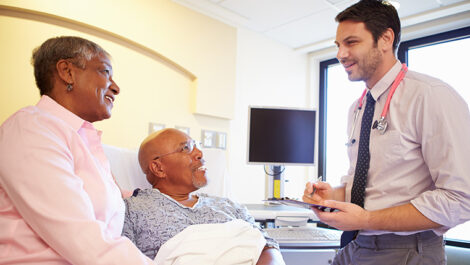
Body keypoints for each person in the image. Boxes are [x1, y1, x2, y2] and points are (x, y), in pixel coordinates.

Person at [302, 1, 470, 264]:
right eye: (338, 45)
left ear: (385, 39)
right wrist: (332, 195)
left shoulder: (430, 96)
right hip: (358, 244)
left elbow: (461, 198)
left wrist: (366, 219)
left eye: (351, 42)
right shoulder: (357, 108)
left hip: (407, 249)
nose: (340, 54)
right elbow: (369, 186)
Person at [0, 36, 155, 264]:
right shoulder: (31, 127)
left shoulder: (83, 139)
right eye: (104, 72)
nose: (116, 87)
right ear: (67, 72)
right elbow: (81, 236)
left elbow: (107, 197)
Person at [123, 128, 285, 265]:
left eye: (197, 146)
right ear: (158, 168)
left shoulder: (229, 206)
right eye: (186, 148)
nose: (199, 153)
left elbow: (267, 246)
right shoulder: (132, 210)